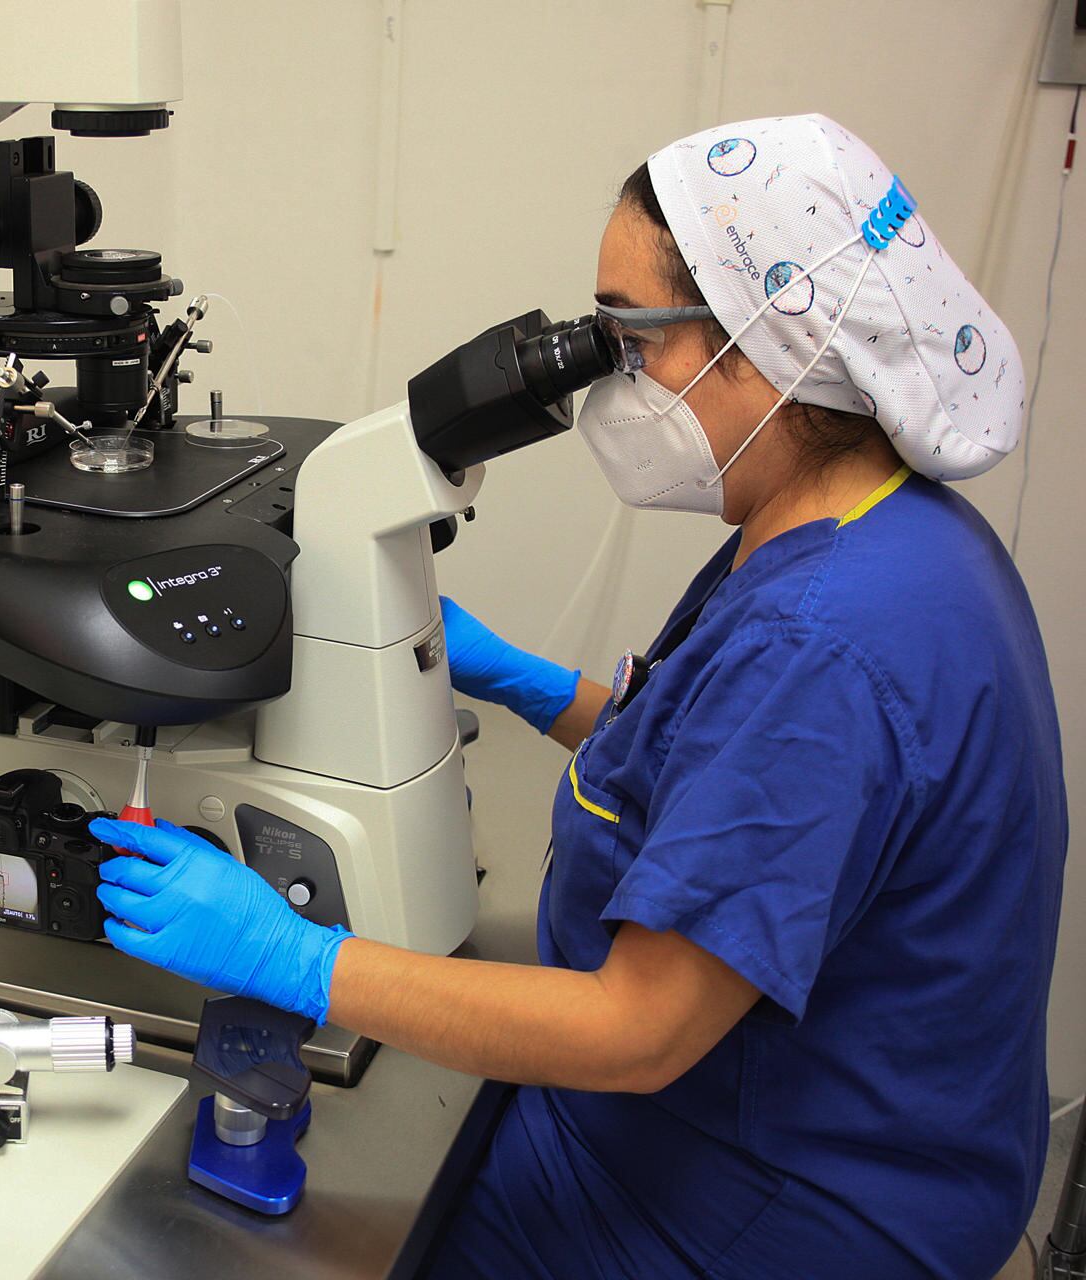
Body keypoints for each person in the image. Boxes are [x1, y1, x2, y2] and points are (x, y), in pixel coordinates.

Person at [88, 114, 1067, 1278]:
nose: (608, 374)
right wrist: (535, 684)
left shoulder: (826, 644)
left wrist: (295, 956)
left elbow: (636, 1028)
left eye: (629, 337)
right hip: (803, 1142)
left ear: (769, 342)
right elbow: (743, 780)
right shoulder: (882, 525)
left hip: (753, 1211)